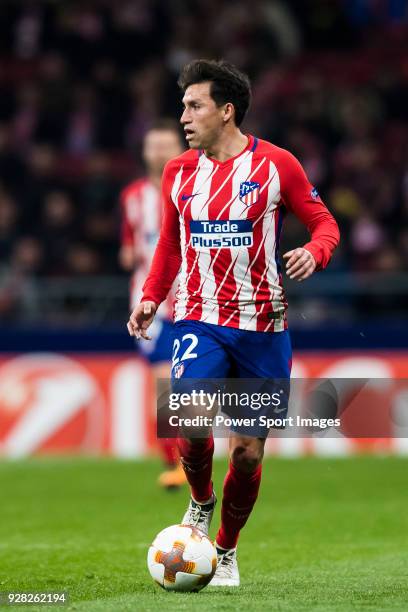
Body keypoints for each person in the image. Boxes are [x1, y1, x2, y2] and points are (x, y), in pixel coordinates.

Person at [127, 60, 340, 586]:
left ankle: (224, 550)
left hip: (263, 329)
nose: (184, 116)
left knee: (246, 453)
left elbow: (324, 222)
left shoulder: (277, 165)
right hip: (199, 320)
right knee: (191, 422)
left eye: (194, 105)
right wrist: (152, 298)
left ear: (226, 111)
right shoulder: (178, 173)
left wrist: (316, 252)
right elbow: (171, 247)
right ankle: (200, 501)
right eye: (183, 106)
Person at [119, 120, 187, 489]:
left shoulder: (197, 188)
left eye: (166, 144)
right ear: (144, 152)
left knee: (190, 390)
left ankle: (189, 461)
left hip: (196, 302)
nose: (159, 151)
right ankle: (175, 464)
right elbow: (128, 250)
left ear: (180, 148)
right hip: (153, 308)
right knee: (164, 390)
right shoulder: (132, 197)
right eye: (153, 145)